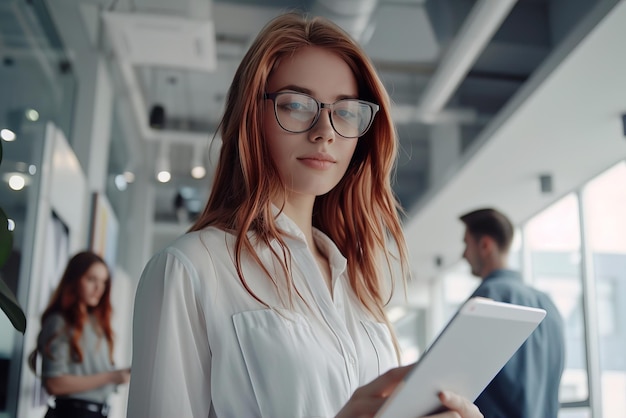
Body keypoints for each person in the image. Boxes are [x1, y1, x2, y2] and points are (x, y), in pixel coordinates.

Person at [127, 12, 483, 418]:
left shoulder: (357, 285)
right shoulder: (191, 268)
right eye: (296, 105)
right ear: (251, 116)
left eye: (346, 111)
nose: (325, 130)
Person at [460, 208, 565, 418]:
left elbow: (452, 376)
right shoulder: (547, 304)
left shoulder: (486, 297)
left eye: (466, 243)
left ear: (485, 245)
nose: (463, 254)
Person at [30, 251, 131, 418]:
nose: (99, 288)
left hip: (99, 412)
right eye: (91, 279)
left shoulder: (97, 324)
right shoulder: (59, 322)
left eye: (103, 282)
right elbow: (54, 383)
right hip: (72, 413)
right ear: (74, 280)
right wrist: (111, 377)